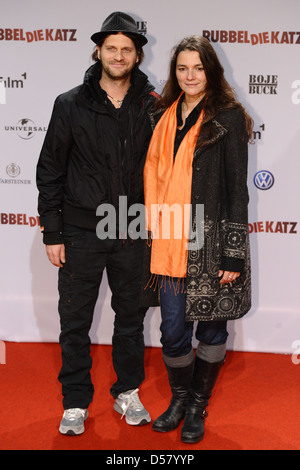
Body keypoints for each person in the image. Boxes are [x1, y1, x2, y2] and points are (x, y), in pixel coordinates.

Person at [36, 11, 157, 435]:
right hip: (81, 231)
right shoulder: (70, 103)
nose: (118, 55)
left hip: (133, 231)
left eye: (127, 49)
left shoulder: (153, 105)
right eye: (111, 48)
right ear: (99, 51)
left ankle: (127, 391)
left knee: (131, 318)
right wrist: (53, 230)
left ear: (137, 55)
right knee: (75, 320)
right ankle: (75, 402)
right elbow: (50, 170)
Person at [143, 35, 252, 444]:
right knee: (172, 329)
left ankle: (196, 406)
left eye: (198, 68)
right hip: (170, 240)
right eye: (182, 68)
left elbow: (237, 191)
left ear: (211, 70)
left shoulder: (228, 117)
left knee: (210, 330)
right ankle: (179, 398)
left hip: (212, 245)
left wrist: (234, 254)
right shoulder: (160, 117)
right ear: (175, 72)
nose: (190, 76)